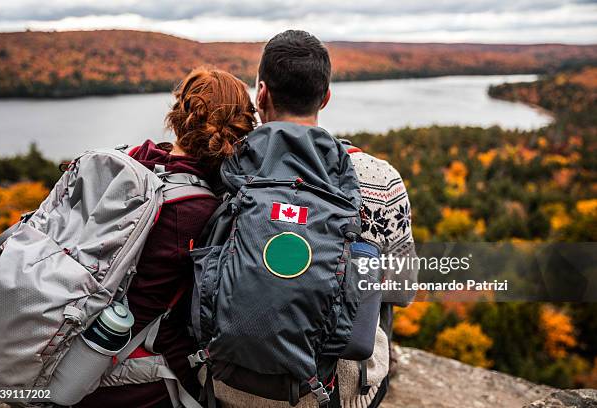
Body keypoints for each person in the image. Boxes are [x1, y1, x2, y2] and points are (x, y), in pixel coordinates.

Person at [209, 30, 417, 407]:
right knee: (374, 287)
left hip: (229, 378)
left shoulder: (227, 167)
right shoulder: (379, 178)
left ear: (261, 94)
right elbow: (403, 291)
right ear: (325, 97)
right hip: (329, 390)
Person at [76, 67, 256, 408]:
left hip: (80, 348)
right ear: (238, 132)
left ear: (179, 117)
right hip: (139, 380)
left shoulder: (131, 164)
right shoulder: (200, 210)